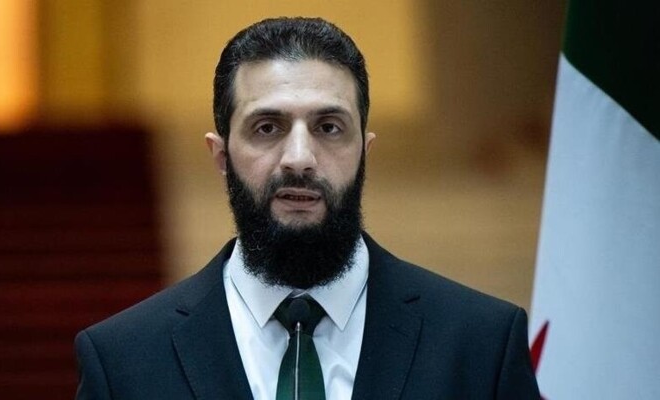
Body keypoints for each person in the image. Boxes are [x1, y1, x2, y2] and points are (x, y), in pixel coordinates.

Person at [74, 17, 541, 399]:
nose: (299, 158)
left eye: (329, 127)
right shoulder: (124, 360)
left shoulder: (480, 343)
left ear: (364, 152)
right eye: (267, 127)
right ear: (221, 156)